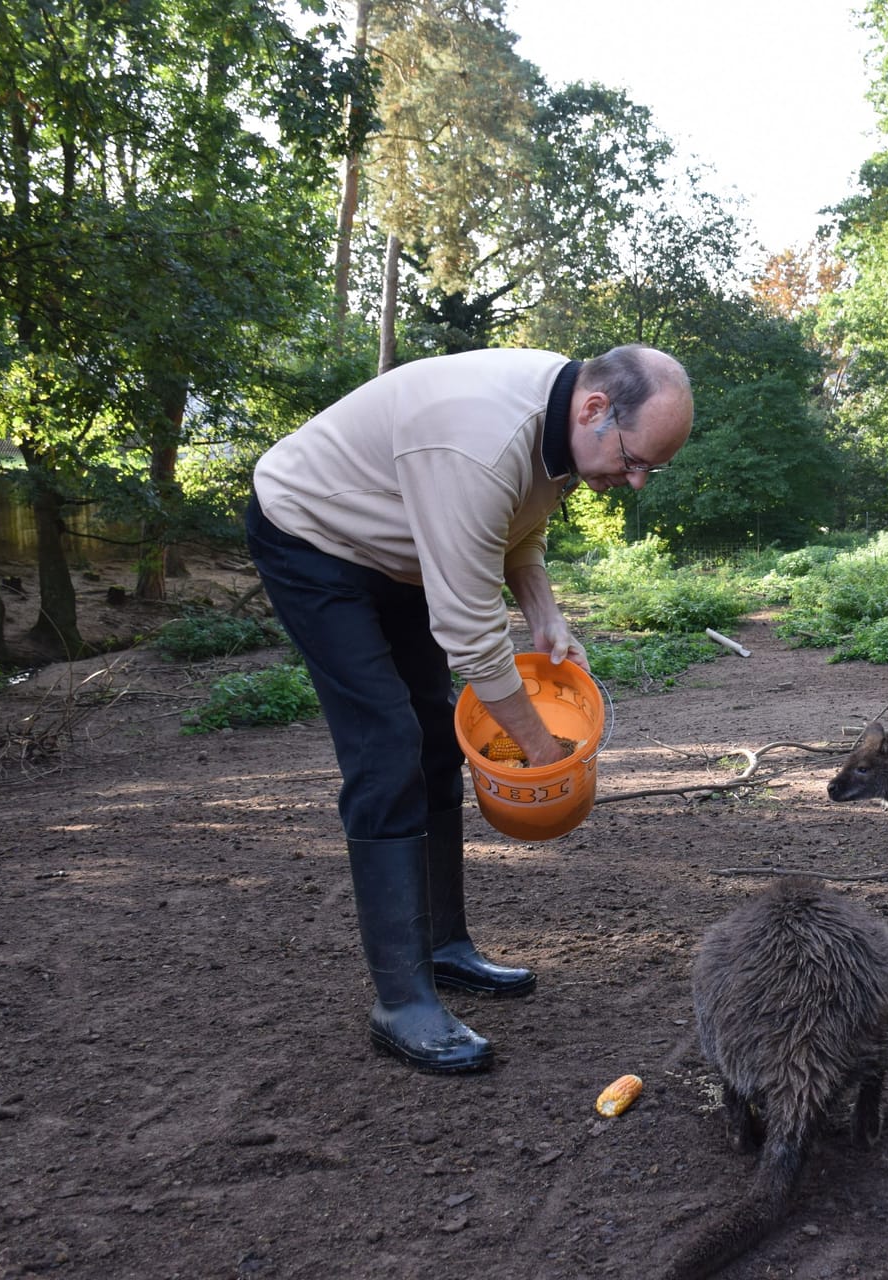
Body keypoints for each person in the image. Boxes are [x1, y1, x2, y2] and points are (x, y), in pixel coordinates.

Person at [245, 344, 693, 1073]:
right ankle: (400, 1001)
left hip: (400, 550)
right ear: (595, 409)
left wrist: (544, 611)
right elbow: (471, 638)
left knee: (433, 739)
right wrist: (543, 752)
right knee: (387, 750)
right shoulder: (478, 441)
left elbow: (519, 526)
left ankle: (443, 946)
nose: (637, 481)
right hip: (314, 539)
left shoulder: (563, 423)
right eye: (636, 459)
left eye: (653, 468)